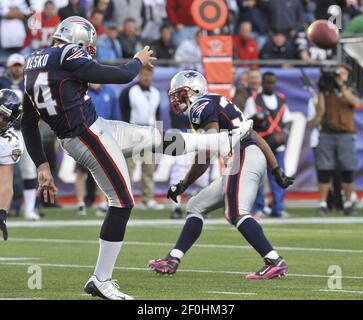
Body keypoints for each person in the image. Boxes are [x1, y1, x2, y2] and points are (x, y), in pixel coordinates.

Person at [21, 16, 253, 300]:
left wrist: (43, 165)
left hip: (94, 128)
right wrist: (137, 60)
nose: (88, 50)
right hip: (86, 136)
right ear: (77, 38)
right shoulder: (68, 52)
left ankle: (224, 140)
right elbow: (115, 76)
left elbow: (28, 123)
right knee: (123, 201)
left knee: (155, 137)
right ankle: (101, 279)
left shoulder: (34, 61)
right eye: (87, 44)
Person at [148, 70, 294, 279]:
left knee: (236, 211)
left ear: (194, 91)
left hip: (243, 156)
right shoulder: (216, 102)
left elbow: (207, 151)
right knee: (196, 206)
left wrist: (183, 184)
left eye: (180, 94)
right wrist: (275, 169)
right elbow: (255, 136)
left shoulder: (199, 106)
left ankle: (274, 261)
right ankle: (173, 258)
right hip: (248, 155)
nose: (176, 99)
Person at [313, 65, 360, 215]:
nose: (340, 75)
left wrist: (341, 85)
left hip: (345, 134)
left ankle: (347, 203)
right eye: (338, 73)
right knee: (324, 169)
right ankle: (322, 203)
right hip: (327, 133)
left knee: (347, 169)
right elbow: (320, 111)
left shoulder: (350, 88)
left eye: (343, 73)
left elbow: (354, 102)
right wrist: (321, 90)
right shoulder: (326, 90)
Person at [244, 72, 293, 218]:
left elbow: (288, 120)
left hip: (278, 145)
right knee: (258, 177)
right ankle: (258, 207)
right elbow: (246, 121)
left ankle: (278, 208)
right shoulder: (253, 100)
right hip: (260, 144)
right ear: (262, 83)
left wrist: (284, 133)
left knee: (278, 176)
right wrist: (256, 118)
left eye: (272, 82)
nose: (270, 85)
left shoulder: (281, 99)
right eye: (267, 82)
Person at [0, 54, 40, 220]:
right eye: (14, 65)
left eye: (19, 65)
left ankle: (30, 208)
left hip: (20, 132)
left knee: (28, 169)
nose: (17, 68)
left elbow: (6, 184)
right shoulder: (2, 83)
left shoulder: (29, 84)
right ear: (9, 67)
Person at [119, 66, 163, 210]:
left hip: (149, 132)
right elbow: (122, 112)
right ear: (139, 75)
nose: (146, 77)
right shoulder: (129, 91)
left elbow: (157, 115)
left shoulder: (156, 93)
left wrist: (158, 133)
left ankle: (148, 198)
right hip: (133, 130)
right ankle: (127, 198)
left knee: (149, 168)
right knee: (129, 167)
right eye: (144, 74)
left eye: (149, 75)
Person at [75, 82, 121, 217]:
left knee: (104, 170)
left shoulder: (110, 92)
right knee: (80, 171)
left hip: (104, 136)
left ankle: (102, 203)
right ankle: (80, 203)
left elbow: (116, 116)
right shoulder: (81, 91)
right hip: (84, 135)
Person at [0, 89, 24, 241]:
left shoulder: (9, 142)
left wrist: (2, 212)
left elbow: (5, 184)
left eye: (4, 117)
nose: (0, 118)